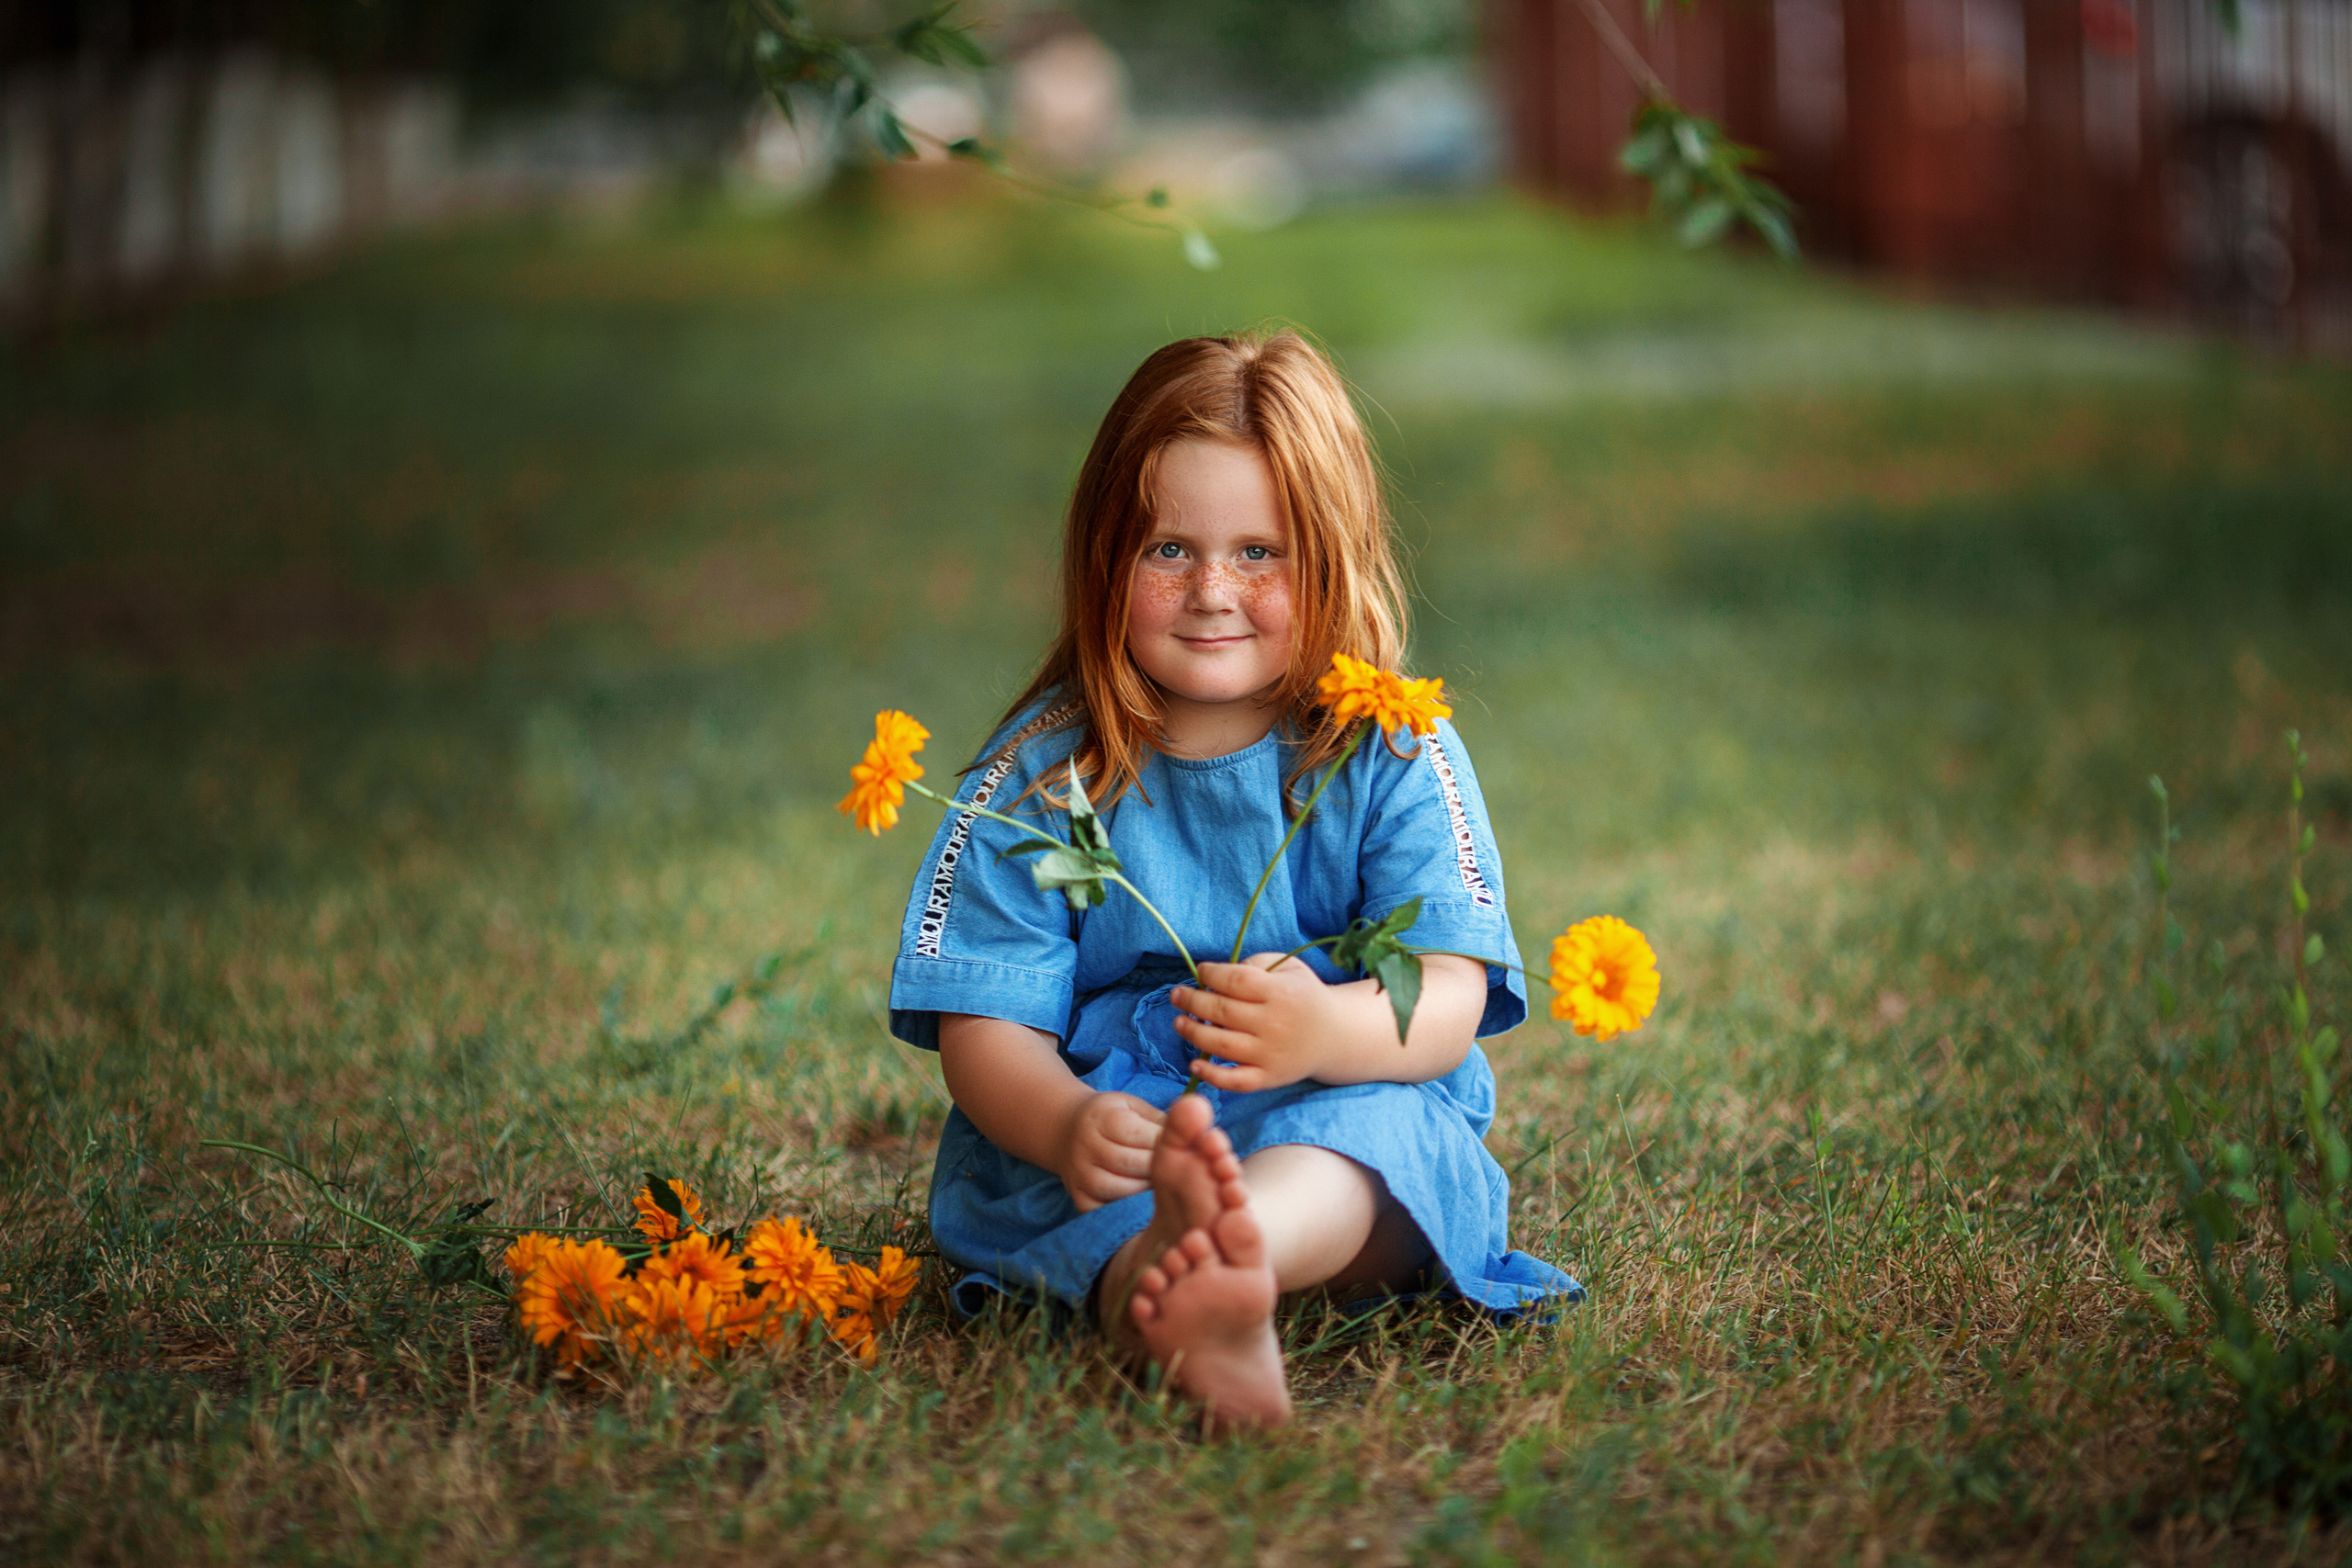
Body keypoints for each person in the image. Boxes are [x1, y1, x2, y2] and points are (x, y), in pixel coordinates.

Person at [888, 330, 1579, 1428]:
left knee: (1379, 1148)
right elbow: (982, 1025)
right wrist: (1068, 1124)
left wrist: (1324, 1037)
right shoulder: (1040, 768)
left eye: (1261, 552)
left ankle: (1230, 1256)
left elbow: (1446, 997)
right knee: (1079, 1209)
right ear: (1103, 557)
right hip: (1123, 1133)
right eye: (1168, 550)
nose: (1213, 589)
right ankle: (1164, 1291)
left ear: (1335, 555)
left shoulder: (1392, 747)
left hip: (1335, 1105)